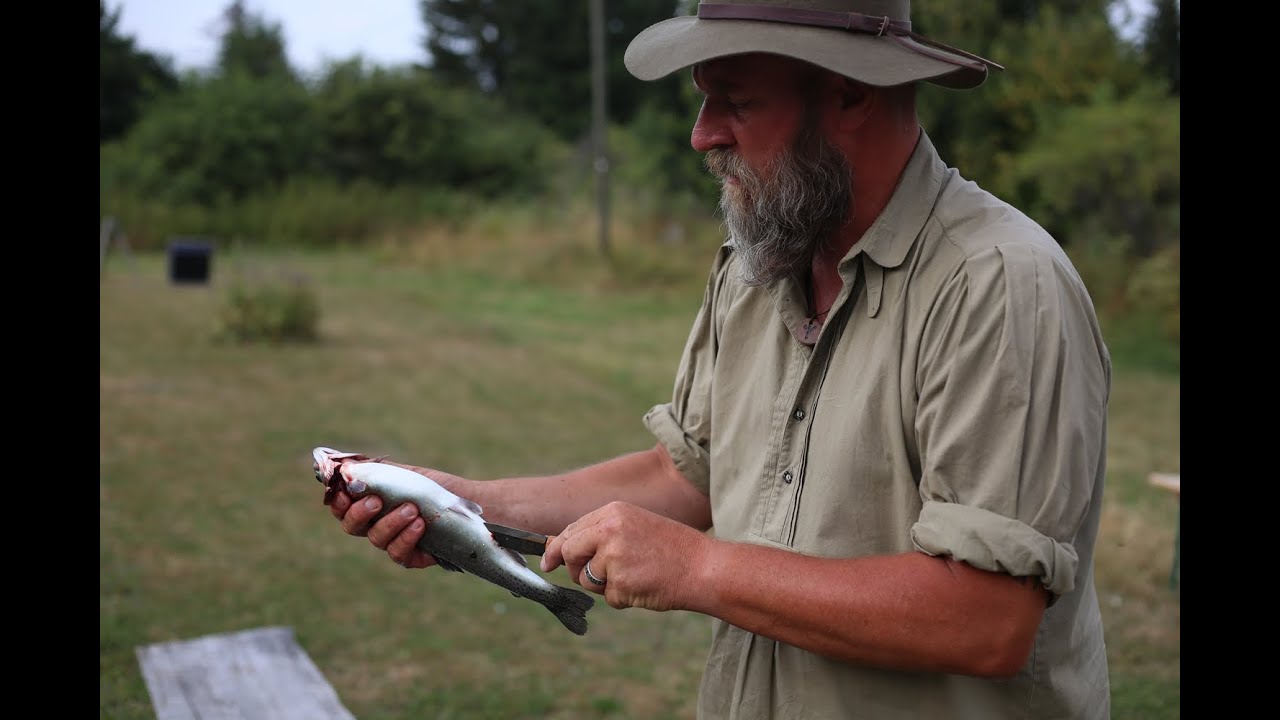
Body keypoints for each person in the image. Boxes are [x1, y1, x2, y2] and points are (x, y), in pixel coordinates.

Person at [326, 1, 1113, 718]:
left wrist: (699, 571)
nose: (703, 133)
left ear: (850, 94)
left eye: (735, 100)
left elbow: (985, 620)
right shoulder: (759, 266)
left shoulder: (1000, 285)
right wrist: (466, 504)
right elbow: (686, 475)